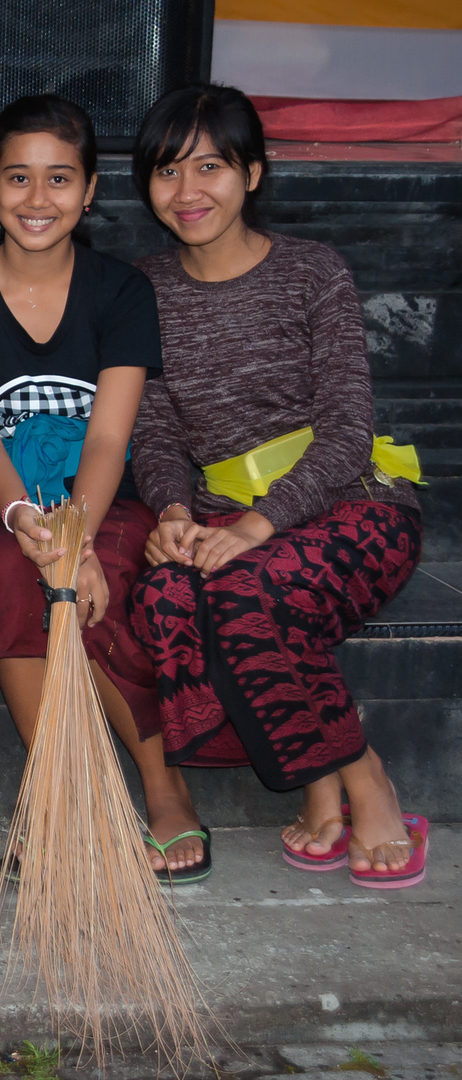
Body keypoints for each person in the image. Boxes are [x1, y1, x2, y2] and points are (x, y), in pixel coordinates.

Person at [128, 84, 427, 889]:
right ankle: (319, 781)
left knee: (248, 591)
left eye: (210, 168)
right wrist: (174, 510)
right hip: (221, 513)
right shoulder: (141, 290)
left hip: (351, 503)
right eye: (166, 172)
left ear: (252, 173)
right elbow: (152, 432)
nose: (186, 193)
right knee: (163, 595)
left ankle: (363, 779)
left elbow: (347, 432)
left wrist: (264, 522)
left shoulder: (311, 272)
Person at [0, 95, 208, 883]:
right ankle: (61, 791)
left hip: (106, 502)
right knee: (6, 570)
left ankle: (163, 787)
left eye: (59, 179)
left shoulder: (120, 291)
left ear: (91, 188)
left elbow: (107, 436)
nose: (38, 199)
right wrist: (27, 518)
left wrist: (80, 539)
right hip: (12, 506)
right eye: (19, 178)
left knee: (105, 584)